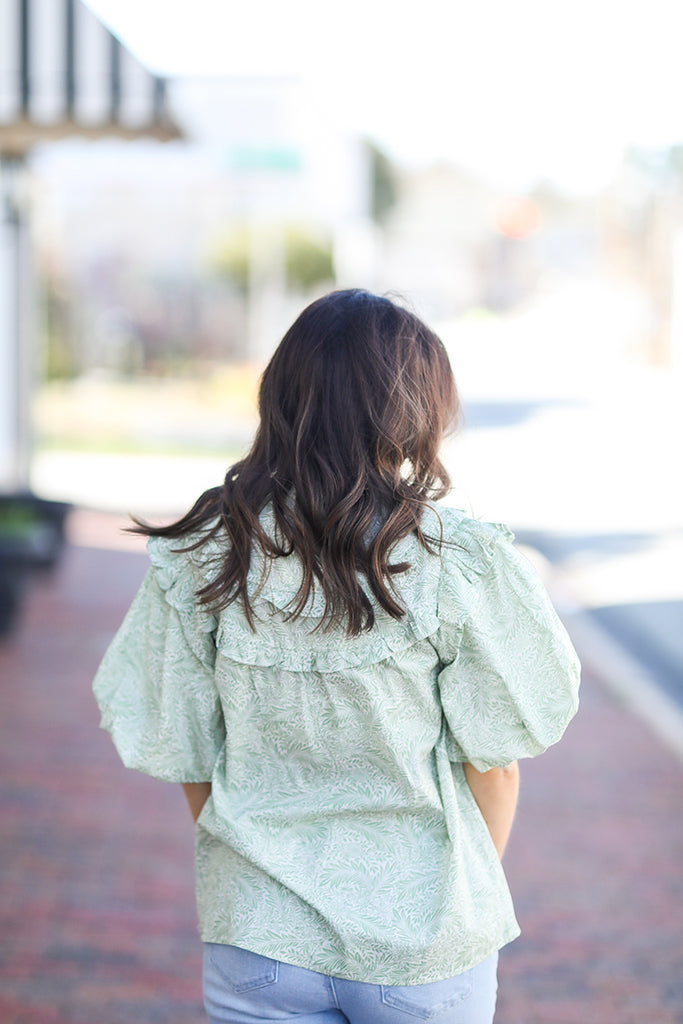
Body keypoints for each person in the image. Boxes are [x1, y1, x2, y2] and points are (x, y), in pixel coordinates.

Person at [93, 289, 580, 1024]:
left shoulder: (202, 555)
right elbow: (498, 764)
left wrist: (262, 870)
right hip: (424, 942)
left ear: (282, 395)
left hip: (258, 934)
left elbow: (190, 754)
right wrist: (461, 892)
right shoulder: (459, 558)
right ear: (415, 406)